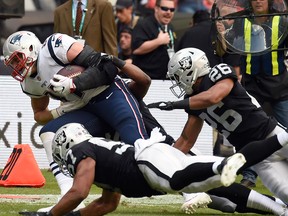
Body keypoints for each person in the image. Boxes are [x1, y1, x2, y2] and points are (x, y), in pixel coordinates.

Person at [2, 30, 150, 211]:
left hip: (108, 94)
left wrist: (74, 84)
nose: (16, 66)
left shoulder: (54, 47)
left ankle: (188, 187)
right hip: (84, 109)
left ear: (31, 48)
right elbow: (39, 114)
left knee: (139, 144)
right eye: (13, 63)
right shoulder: (29, 83)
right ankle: (68, 195)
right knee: (49, 132)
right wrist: (63, 109)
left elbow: (105, 65)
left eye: (17, 59)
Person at [43, 123, 288, 216]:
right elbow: (106, 204)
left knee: (177, 181)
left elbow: (78, 192)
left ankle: (221, 164)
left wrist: (52, 214)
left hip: (145, 162)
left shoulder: (81, 151)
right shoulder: (98, 152)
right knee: (221, 192)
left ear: (66, 144)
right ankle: (279, 207)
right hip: (153, 158)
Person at [147, 47, 288, 204]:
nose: (178, 81)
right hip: (257, 156)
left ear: (190, 70)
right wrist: (164, 164)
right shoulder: (192, 99)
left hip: (271, 135)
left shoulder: (219, 72)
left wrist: (174, 104)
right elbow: (186, 140)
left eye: (178, 76)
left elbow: (213, 97)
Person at [132, 0, 177, 79]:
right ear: (156, 8)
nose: (169, 12)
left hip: (166, 78)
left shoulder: (170, 27)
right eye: (165, 8)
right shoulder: (143, 25)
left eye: (172, 10)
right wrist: (158, 41)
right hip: (147, 79)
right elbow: (136, 49)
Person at [54, 0, 118, 56]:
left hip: (96, 64)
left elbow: (110, 42)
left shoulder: (103, 6)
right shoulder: (59, 12)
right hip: (69, 66)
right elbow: (56, 45)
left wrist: (113, 66)